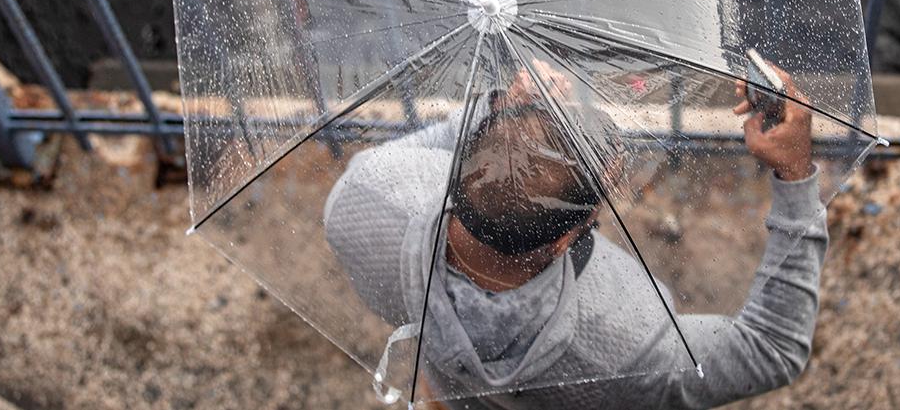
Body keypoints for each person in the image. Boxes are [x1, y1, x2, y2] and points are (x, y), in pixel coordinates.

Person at [323, 59, 825, 409]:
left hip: (444, 391)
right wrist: (796, 174)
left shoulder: (363, 199)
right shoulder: (630, 350)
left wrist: (500, 111)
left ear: (457, 170)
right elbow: (772, 349)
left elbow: (425, 153)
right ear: (565, 240)